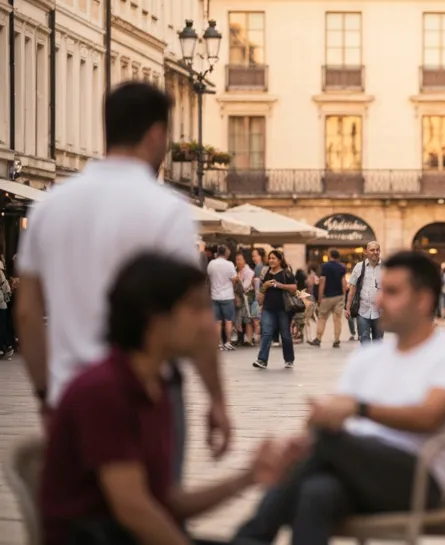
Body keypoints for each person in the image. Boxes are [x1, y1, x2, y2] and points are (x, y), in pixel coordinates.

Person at [15, 82, 230, 480]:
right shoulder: (167, 210)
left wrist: (46, 396)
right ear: (155, 134)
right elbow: (196, 315)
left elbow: (27, 312)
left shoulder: (49, 207)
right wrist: (217, 400)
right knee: (151, 516)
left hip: (71, 394)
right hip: (144, 397)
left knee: (87, 522)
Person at [40, 254, 291, 545]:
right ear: (155, 319)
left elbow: (166, 503)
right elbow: (134, 510)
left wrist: (248, 477)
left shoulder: (156, 386)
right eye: (194, 309)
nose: (206, 323)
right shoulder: (104, 390)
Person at [235, 251, 445, 545]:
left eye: (391, 292)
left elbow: (429, 417)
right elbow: (341, 417)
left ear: (424, 300)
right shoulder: (367, 357)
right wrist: (324, 418)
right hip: (353, 472)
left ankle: (250, 537)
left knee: (325, 444)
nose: (377, 301)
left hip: (417, 481)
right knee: (317, 492)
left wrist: (358, 409)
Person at [253, 250, 298, 370]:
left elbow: (294, 288)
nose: (271, 260)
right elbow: (261, 292)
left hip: (284, 309)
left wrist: (280, 285)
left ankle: (289, 359)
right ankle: (262, 360)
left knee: (285, 335)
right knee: (266, 333)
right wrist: (265, 286)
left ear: (279, 260)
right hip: (268, 308)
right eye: (270, 258)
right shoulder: (265, 273)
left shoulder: (286, 273)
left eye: (273, 258)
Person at [345, 241, 383, 344]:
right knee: (364, 342)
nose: (375, 252)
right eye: (372, 250)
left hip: (380, 313)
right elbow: (352, 288)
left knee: (378, 343)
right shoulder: (359, 267)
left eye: (377, 250)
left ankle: (376, 360)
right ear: (366, 252)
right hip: (363, 311)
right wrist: (348, 307)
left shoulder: (385, 267)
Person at [311, 249, 348, 348]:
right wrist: (343, 295)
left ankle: (318, 339)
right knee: (337, 319)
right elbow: (344, 282)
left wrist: (319, 296)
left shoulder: (325, 266)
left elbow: (322, 281)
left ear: (330, 255)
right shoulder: (342, 267)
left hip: (327, 296)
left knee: (322, 318)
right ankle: (336, 340)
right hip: (339, 296)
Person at [207, 245, 239, 351]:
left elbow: (209, 276)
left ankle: (219, 343)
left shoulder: (211, 263)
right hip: (227, 295)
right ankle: (228, 342)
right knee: (228, 321)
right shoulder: (229, 264)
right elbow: (234, 279)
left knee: (217, 321)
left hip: (214, 295)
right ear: (226, 252)